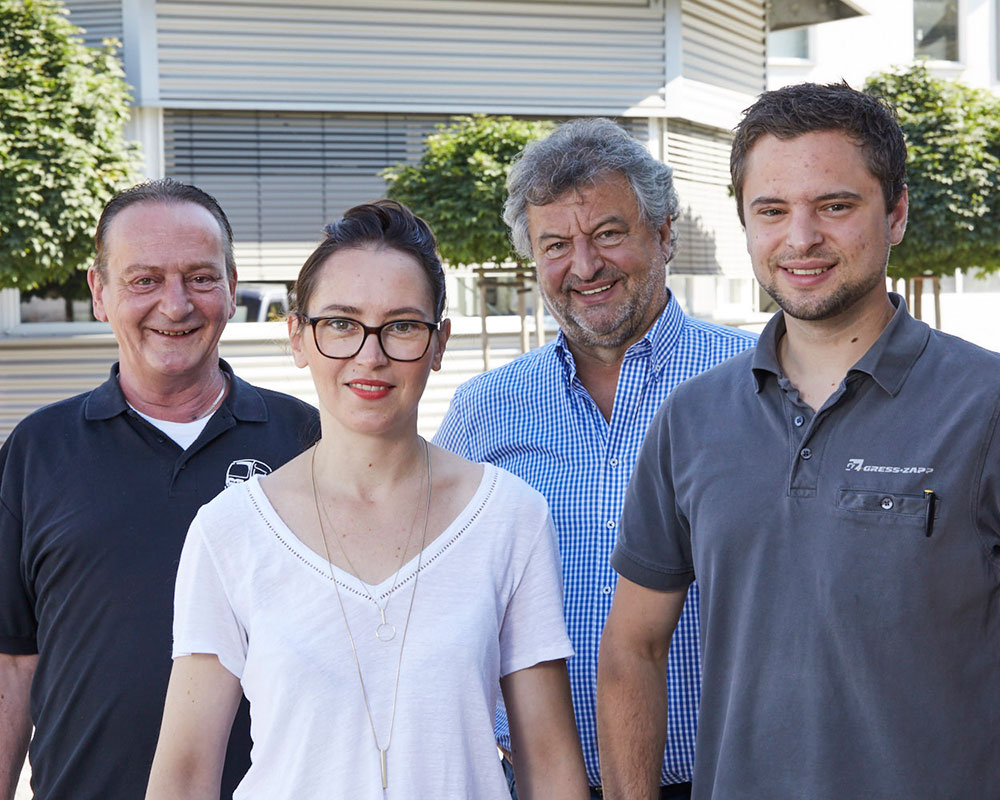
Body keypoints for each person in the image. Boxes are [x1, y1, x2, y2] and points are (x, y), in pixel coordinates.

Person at [598, 82, 1000, 799]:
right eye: (772, 211)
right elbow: (634, 647)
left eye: (836, 206)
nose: (801, 238)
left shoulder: (986, 405)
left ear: (896, 212)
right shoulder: (690, 421)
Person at [145, 200, 588, 799]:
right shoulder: (229, 531)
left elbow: (551, 766)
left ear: (438, 343)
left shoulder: (510, 517)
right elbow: (185, 774)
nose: (370, 354)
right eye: (341, 323)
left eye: (403, 325)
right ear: (298, 337)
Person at [433, 118, 756, 798]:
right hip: (536, 782)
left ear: (664, 235)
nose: (584, 266)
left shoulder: (752, 379)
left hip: (726, 778)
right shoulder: (485, 410)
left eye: (609, 233)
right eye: (556, 244)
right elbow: (437, 595)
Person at [0, 179, 319, 800]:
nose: (175, 306)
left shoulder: (305, 443)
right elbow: (11, 663)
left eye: (200, 277)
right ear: (100, 292)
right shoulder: (36, 451)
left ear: (231, 286)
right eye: (144, 280)